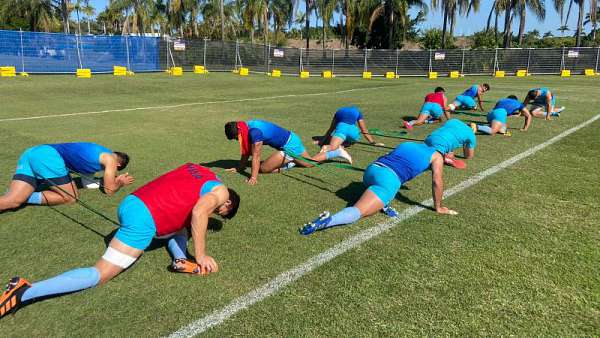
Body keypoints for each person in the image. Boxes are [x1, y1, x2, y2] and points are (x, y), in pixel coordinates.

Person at [0, 163, 240, 318]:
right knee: (99, 274)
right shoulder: (222, 193)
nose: (215, 212)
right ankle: (25, 291)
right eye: (219, 212)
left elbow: (189, 214)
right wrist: (201, 255)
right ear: (227, 203)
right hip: (144, 219)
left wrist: (187, 252)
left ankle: (180, 259)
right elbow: (199, 213)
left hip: (131, 203)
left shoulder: (201, 171)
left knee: (183, 226)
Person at [300, 142, 457, 235]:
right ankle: (328, 221)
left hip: (371, 171)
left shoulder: (409, 144)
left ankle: (383, 203)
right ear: (444, 152)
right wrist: (438, 207)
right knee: (357, 211)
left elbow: (392, 155)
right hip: (388, 180)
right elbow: (437, 180)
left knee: (379, 191)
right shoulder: (436, 157)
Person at [0, 142, 133, 212]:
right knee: (71, 197)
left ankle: (19, 196)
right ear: (118, 164)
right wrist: (119, 182)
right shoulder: (110, 159)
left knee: (12, 201)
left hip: (33, 152)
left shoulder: (99, 153)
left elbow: (87, 181)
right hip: (48, 157)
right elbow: (109, 190)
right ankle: (26, 197)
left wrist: (101, 181)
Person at [224, 120, 319, 185]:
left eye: (236, 138)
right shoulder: (244, 127)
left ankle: (331, 152)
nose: (237, 140)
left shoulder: (254, 133)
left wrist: (253, 177)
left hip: (289, 147)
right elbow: (247, 150)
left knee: (262, 169)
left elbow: (256, 156)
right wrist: (239, 168)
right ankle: (330, 152)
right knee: (308, 163)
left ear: (239, 132)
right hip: (291, 140)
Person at [312, 106, 384, 165]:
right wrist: (373, 142)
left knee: (332, 147)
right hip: (353, 133)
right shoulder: (358, 112)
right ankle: (340, 146)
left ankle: (331, 148)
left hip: (341, 129)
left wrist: (323, 140)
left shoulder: (338, 112)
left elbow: (331, 128)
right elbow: (364, 130)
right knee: (354, 139)